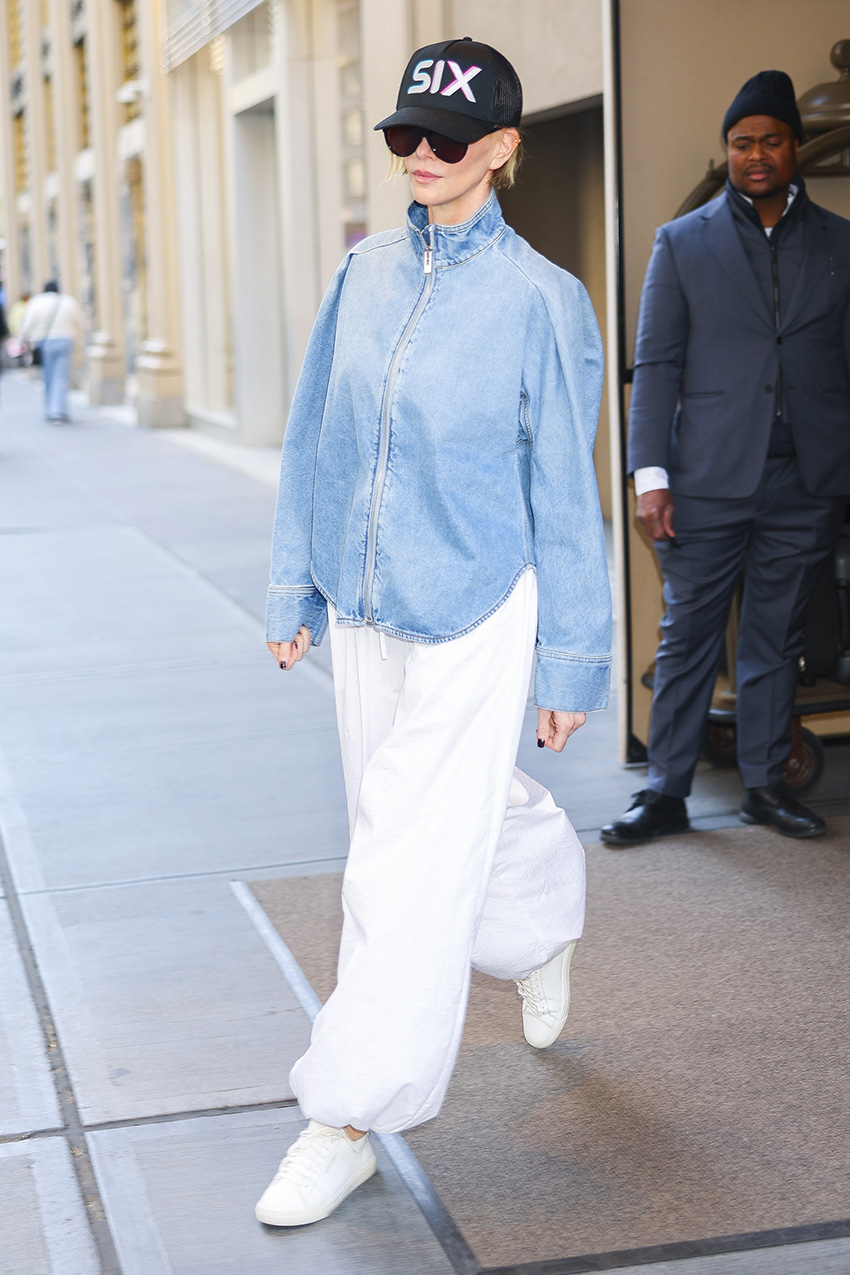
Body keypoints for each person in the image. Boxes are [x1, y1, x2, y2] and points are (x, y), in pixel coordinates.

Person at [255, 37, 611, 1228]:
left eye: (445, 140)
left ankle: (346, 1114)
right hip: (365, 602)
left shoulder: (541, 303)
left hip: (477, 604)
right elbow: (314, 435)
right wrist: (290, 586)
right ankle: (539, 911)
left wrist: (572, 654)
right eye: (404, 135)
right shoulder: (360, 278)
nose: (419, 155)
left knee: (398, 865)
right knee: (415, 810)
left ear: (502, 150)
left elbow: (567, 487)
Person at [601, 71, 850, 849]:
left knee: (775, 638)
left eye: (770, 140)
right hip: (704, 480)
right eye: (742, 143)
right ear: (729, 152)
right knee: (689, 638)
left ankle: (766, 785)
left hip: (804, 480)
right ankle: (666, 791)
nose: (755, 154)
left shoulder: (840, 241)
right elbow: (657, 366)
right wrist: (650, 478)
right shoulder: (682, 242)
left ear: (794, 148)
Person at [18, 280, 85, 423]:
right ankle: (59, 412)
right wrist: (78, 341)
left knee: (48, 375)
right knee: (61, 376)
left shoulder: (37, 302)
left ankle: (50, 410)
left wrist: (23, 340)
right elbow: (80, 322)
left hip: (44, 341)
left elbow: (27, 323)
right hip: (65, 339)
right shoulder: (68, 301)